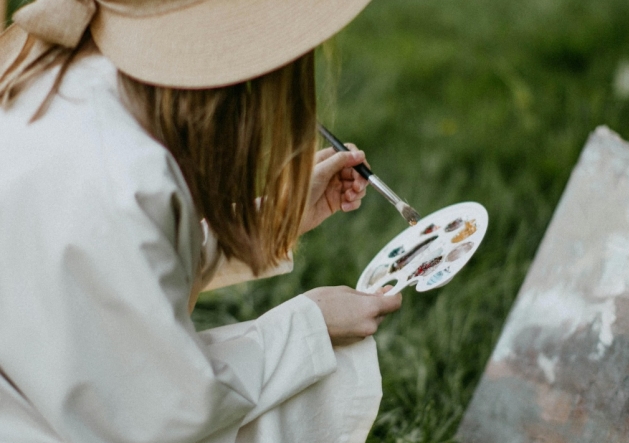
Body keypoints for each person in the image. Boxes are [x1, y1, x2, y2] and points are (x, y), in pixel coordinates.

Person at [0, 0, 402, 442]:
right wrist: (312, 325)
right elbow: (164, 413)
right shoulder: (126, 171)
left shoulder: (51, 81)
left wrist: (265, 222)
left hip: (32, 390)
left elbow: (110, 276)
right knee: (327, 373)